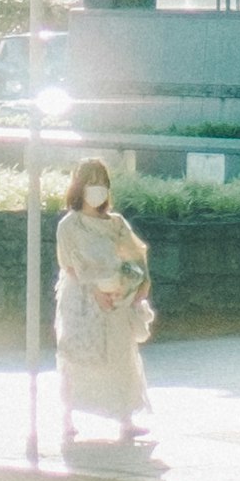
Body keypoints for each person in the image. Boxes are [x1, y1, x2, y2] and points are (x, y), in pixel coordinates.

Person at [50, 156, 154, 451]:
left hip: (117, 297)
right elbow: (69, 265)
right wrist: (95, 290)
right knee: (78, 357)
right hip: (82, 300)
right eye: (91, 183)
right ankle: (68, 416)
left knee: (121, 355)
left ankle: (125, 418)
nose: (97, 190)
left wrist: (140, 281)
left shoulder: (116, 223)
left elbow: (134, 254)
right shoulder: (69, 225)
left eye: (102, 184)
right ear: (79, 186)